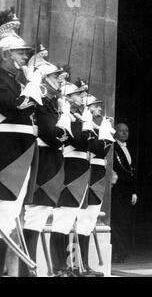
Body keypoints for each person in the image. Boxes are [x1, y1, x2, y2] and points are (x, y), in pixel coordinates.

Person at [19, 48, 68, 277]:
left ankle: (29, 269)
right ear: (44, 80)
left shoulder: (51, 104)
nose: (58, 80)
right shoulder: (43, 103)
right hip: (44, 162)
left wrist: (60, 131)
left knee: (38, 218)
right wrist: (62, 129)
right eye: (54, 77)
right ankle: (26, 270)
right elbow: (51, 135)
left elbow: (58, 136)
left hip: (51, 162)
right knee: (35, 216)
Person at [0, 8, 42, 277]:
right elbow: (15, 107)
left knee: (8, 215)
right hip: (6, 155)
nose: (25, 56)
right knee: (3, 214)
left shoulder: (15, 80)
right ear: (5, 54)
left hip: (19, 153)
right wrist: (33, 83)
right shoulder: (3, 79)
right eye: (19, 52)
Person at [49, 80, 91, 277]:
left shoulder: (78, 117)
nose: (81, 97)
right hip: (69, 170)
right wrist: (86, 127)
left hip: (81, 171)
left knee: (69, 221)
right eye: (77, 94)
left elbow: (93, 146)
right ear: (67, 97)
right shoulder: (69, 118)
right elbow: (81, 143)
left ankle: (67, 266)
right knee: (62, 221)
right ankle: (58, 266)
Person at [76, 94, 115, 276]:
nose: (99, 109)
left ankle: (84, 264)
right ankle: (79, 265)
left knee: (90, 220)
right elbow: (99, 149)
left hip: (98, 173)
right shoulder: (86, 126)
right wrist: (105, 133)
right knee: (84, 219)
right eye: (95, 106)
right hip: (90, 173)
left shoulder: (95, 126)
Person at [111, 123, 137, 263]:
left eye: (126, 130)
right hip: (116, 191)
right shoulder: (112, 147)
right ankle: (117, 253)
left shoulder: (129, 148)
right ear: (115, 132)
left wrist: (134, 191)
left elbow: (132, 171)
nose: (124, 133)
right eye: (121, 131)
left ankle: (122, 252)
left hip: (126, 192)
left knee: (124, 223)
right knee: (117, 223)